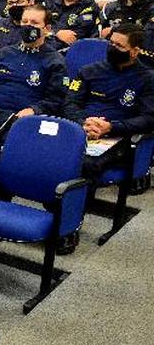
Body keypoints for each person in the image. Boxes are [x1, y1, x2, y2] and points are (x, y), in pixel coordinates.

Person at [63, 24, 154, 250]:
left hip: (119, 137)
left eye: (119, 46)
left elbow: (149, 119)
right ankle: (52, 206)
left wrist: (110, 127)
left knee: (85, 164)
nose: (112, 48)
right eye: (111, 43)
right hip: (83, 129)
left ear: (134, 51)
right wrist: (83, 123)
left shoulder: (148, 78)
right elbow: (71, 102)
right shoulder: (89, 70)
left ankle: (69, 227)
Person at [0, 4, 67, 132]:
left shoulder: (55, 62)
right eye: (25, 22)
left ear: (46, 29)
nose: (28, 26)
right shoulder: (3, 53)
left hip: (25, 123)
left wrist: (34, 110)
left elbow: (55, 100)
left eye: (34, 23)